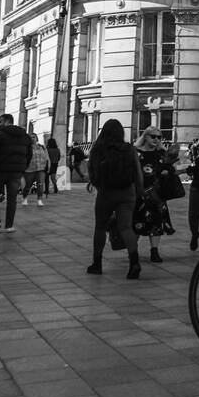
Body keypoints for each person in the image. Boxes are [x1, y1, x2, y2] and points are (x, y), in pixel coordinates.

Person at [86, 119, 144, 278]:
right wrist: (139, 192)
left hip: (106, 193)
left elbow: (91, 170)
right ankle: (134, 263)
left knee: (100, 227)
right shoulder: (129, 149)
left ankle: (96, 263)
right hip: (127, 192)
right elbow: (138, 174)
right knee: (126, 228)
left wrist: (99, 186)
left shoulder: (98, 149)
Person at [0, 113, 32, 233]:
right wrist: (22, 167)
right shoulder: (25, 136)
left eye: (0, 122)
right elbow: (29, 154)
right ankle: (9, 226)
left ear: (6, 122)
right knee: (12, 198)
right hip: (16, 172)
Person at [133, 127, 175, 263]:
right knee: (137, 222)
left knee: (156, 223)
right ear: (145, 136)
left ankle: (154, 251)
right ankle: (133, 251)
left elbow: (170, 168)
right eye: (153, 136)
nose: (156, 139)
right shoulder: (135, 152)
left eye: (159, 137)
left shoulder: (161, 153)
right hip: (139, 193)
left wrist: (167, 172)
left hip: (157, 194)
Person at [23, 132, 49, 207]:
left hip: (40, 168)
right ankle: (25, 198)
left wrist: (48, 165)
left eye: (34, 137)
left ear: (36, 138)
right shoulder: (27, 148)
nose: (32, 138)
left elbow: (47, 157)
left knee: (40, 184)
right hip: (29, 169)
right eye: (30, 137)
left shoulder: (42, 147)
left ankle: (39, 200)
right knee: (28, 185)